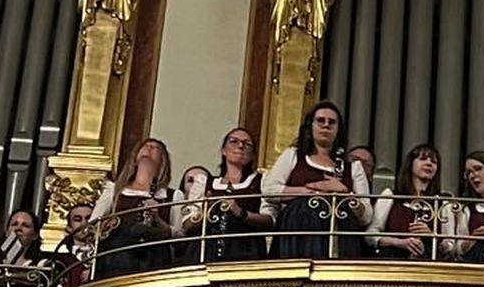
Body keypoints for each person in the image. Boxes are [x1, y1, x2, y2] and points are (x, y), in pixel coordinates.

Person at [261, 101, 371, 259]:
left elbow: (366, 216)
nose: (326, 125)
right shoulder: (293, 155)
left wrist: (345, 193)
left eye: (332, 122)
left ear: (339, 129)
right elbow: (269, 189)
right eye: (320, 120)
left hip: (340, 234)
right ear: (310, 126)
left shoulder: (354, 168)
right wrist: (312, 190)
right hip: (298, 229)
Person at [179, 125, 271, 263]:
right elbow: (186, 226)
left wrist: (241, 213)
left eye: (247, 144)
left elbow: (270, 221)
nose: (240, 146)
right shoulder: (204, 183)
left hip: (246, 250)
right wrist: (204, 212)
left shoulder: (262, 181)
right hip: (206, 251)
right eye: (234, 141)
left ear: (252, 155)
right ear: (223, 150)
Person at [90, 137, 179, 277]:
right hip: (116, 258)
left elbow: (179, 236)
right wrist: (109, 223)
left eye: (156, 148)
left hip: (154, 260)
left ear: (163, 161)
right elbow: (93, 225)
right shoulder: (114, 190)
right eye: (145, 146)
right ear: (135, 158)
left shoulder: (172, 195)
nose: (149, 148)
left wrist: (158, 219)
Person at [369, 140, 442, 257]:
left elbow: (450, 247)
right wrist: (400, 242)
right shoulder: (391, 195)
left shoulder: (442, 204)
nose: (429, 163)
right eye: (423, 159)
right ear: (410, 164)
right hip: (393, 262)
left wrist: (431, 235)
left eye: (434, 161)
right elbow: (371, 235)